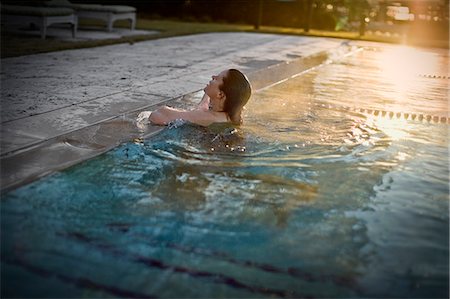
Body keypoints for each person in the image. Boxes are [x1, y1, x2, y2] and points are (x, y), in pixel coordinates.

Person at [137, 69, 252, 127]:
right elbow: (205, 106)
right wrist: (209, 93)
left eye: (217, 78)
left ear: (220, 95)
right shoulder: (228, 115)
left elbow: (158, 116)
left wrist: (193, 112)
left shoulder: (206, 117)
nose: (213, 76)